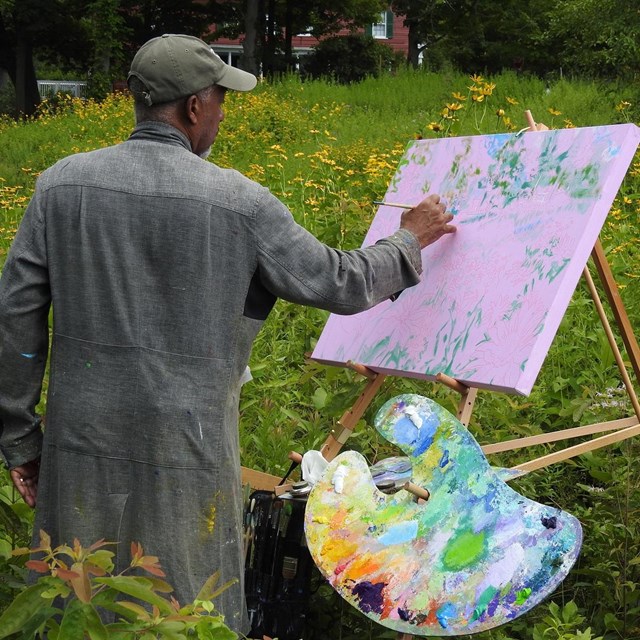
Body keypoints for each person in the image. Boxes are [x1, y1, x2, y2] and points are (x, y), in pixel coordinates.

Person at [0, 34, 455, 634]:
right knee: (189, 599)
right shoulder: (238, 201)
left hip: (80, 442)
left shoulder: (60, 187)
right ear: (194, 107)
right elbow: (338, 283)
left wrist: (20, 439)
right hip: (188, 444)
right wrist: (408, 240)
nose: (220, 114)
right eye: (219, 101)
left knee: (77, 592)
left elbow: (16, 320)